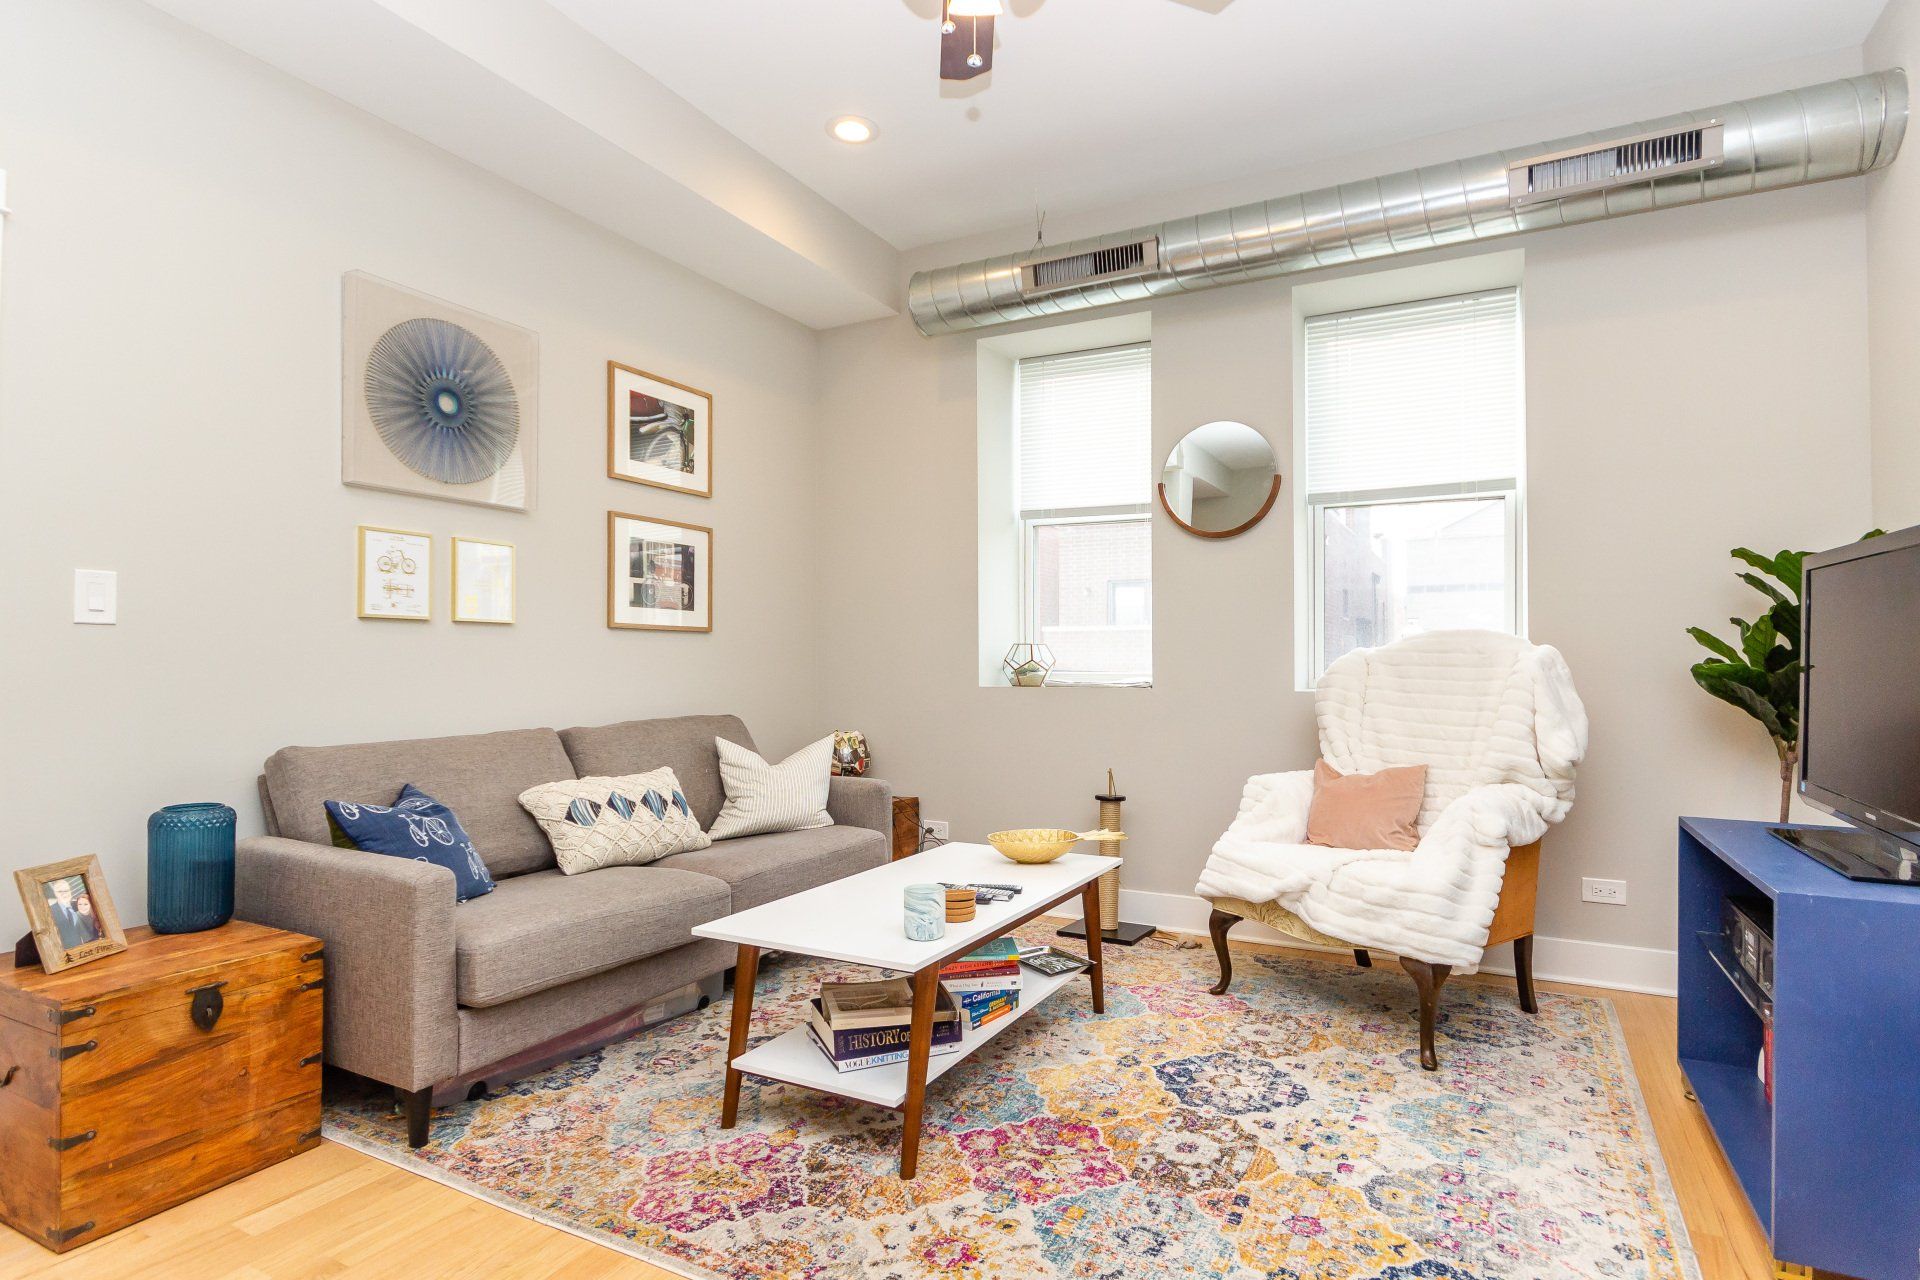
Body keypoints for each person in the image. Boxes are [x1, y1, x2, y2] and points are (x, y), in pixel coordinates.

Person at [44, 876, 101, 949]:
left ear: (70, 891)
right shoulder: (50, 912)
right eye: (60, 891)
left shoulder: (79, 905)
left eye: (66, 890)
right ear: (55, 893)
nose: (64, 893)